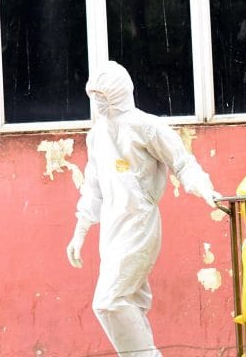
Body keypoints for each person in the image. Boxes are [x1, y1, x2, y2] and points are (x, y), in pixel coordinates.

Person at [65, 61, 222, 356]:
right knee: (130, 302)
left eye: (103, 94)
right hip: (113, 226)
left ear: (119, 92)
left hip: (140, 223)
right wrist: (80, 232)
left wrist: (205, 190)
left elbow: (182, 162)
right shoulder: (96, 135)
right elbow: (93, 186)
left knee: (109, 300)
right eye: (94, 95)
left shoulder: (146, 127)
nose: (98, 101)